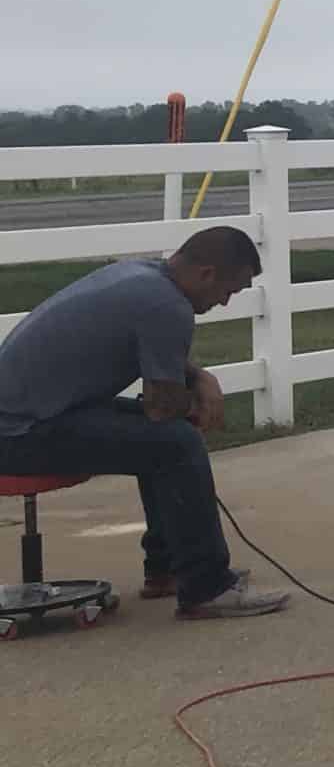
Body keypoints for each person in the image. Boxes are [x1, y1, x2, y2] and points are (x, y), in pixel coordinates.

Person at [0, 226, 289, 619]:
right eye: (229, 290)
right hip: (19, 436)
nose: (224, 302)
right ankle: (206, 586)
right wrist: (198, 405)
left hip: (29, 420)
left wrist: (198, 377)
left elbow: (153, 360)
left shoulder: (141, 277)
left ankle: (168, 569)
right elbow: (161, 407)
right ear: (206, 274)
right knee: (176, 443)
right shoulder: (167, 305)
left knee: (159, 438)